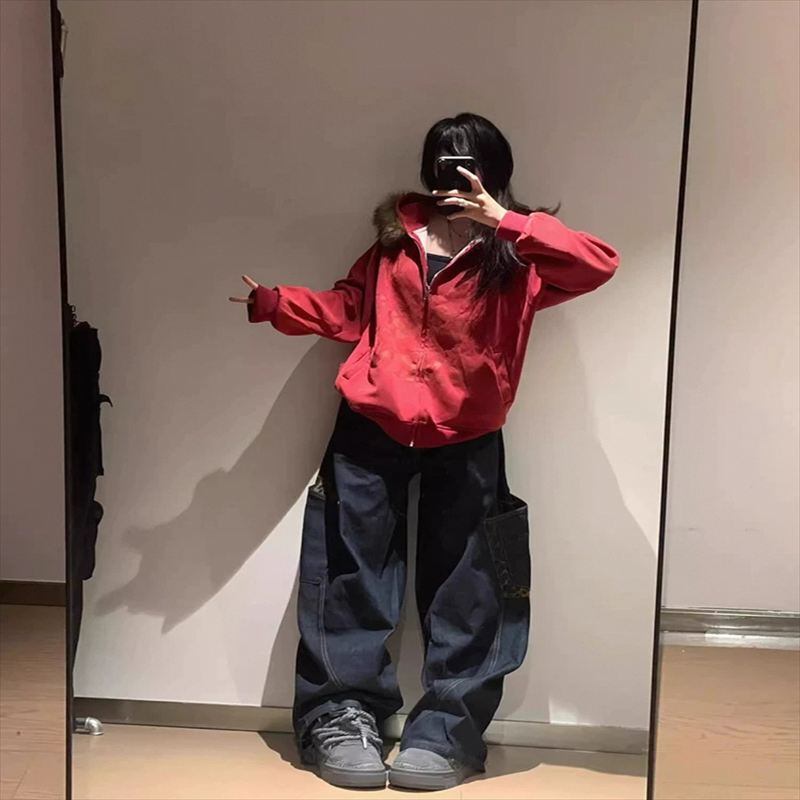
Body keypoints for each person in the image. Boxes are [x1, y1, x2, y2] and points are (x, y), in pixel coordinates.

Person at [229, 112, 619, 791]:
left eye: (467, 159)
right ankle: (339, 717)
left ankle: (448, 732)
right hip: (370, 428)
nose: (452, 170)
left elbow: (598, 264)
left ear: (494, 168)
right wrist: (276, 303)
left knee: (471, 590)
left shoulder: (519, 252)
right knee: (348, 577)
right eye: (442, 158)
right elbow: (350, 310)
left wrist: (505, 221)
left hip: (467, 435)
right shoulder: (394, 242)